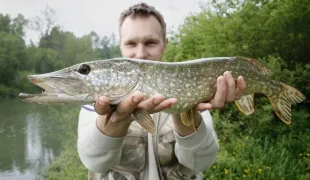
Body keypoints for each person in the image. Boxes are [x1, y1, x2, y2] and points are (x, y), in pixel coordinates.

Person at [77, 2, 246, 180]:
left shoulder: (190, 87)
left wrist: (183, 110)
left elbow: (200, 162)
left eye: (150, 43)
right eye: (131, 43)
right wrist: (114, 121)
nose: (140, 53)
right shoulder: (97, 101)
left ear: (164, 45)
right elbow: (95, 163)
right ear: (120, 45)